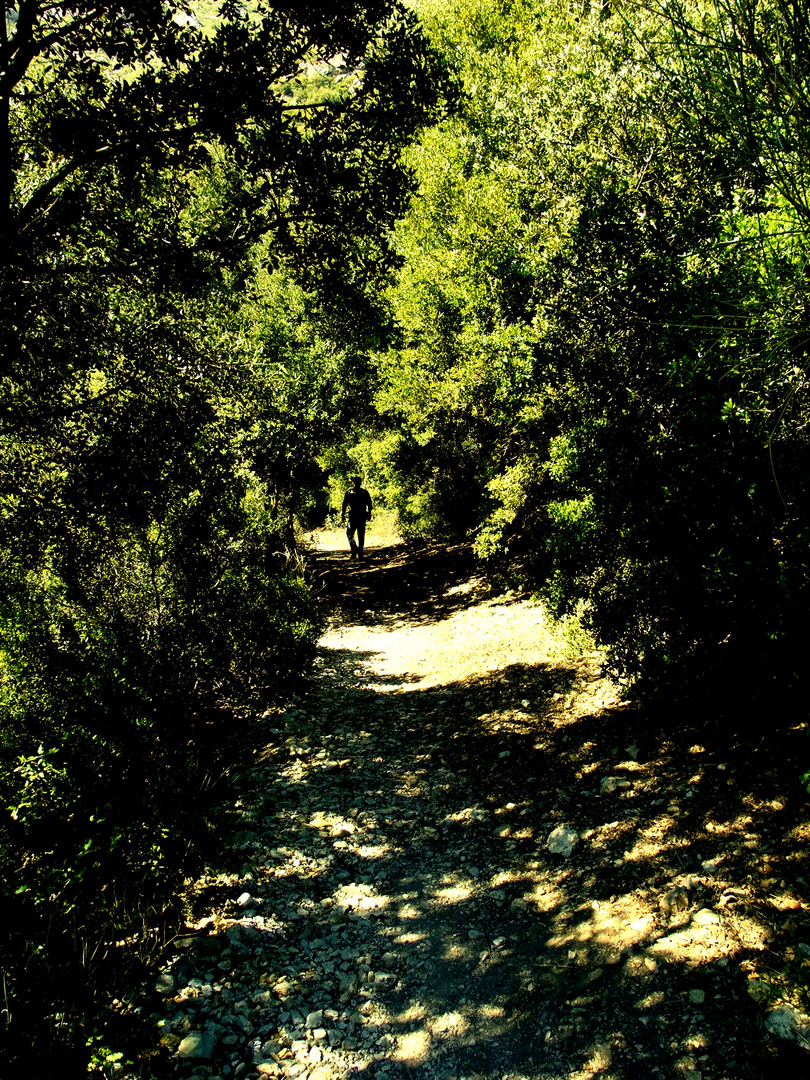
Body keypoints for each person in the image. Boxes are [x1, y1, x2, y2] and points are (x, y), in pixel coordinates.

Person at [341, 476, 372, 560]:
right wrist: (369, 514)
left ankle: (355, 550)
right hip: (361, 516)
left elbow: (344, 504)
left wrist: (343, 514)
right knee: (360, 534)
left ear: (353, 483)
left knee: (350, 534)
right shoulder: (364, 492)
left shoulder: (349, 492)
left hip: (353, 516)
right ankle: (359, 552)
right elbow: (369, 504)